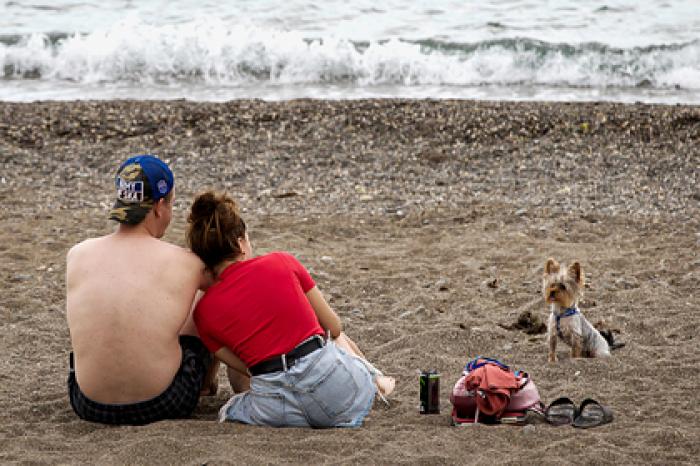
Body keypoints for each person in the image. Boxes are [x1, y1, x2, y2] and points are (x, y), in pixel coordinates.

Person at [186, 191, 395, 428]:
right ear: (240, 244)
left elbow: (247, 368)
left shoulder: (203, 313)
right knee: (333, 338)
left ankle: (373, 378)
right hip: (335, 390)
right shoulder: (281, 262)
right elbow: (334, 327)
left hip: (277, 408)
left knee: (233, 406)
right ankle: (375, 378)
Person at [65, 155, 214, 425]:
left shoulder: (78, 254)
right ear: (159, 207)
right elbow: (227, 285)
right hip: (164, 402)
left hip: (87, 404)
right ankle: (205, 384)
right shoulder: (187, 263)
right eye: (171, 204)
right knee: (203, 298)